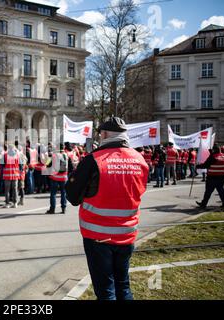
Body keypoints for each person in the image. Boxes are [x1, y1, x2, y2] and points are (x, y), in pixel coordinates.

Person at [65, 117, 149, 300]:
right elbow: (139, 191)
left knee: (105, 291)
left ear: (104, 134)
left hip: (98, 236)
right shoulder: (140, 159)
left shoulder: (93, 160)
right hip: (127, 234)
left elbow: (72, 196)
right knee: (123, 285)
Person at [196, 144, 224, 209]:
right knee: (221, 191)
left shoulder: (213, 157)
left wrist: (197, 166)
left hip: (212, 177)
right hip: (223, 177)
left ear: (214, 150)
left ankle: (203, 204)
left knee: (208, 192)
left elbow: (205, 165)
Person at [46, 144, 71, 214]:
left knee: (53, 193)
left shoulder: (54, 155)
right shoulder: (66, 155)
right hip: (64, 177)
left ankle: (52, 209)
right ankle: (63, 208)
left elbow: (47, 164)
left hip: (55, 177)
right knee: (63, 193)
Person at [3, 144, 20, 208]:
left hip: (7, 175)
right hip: (15, 174)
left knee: (7, 190)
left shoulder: (5, 155)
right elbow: (20, 164)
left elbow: (2, 165)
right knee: (15, 189)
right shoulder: (17, 155)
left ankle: (7, 203)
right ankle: (15, 203)